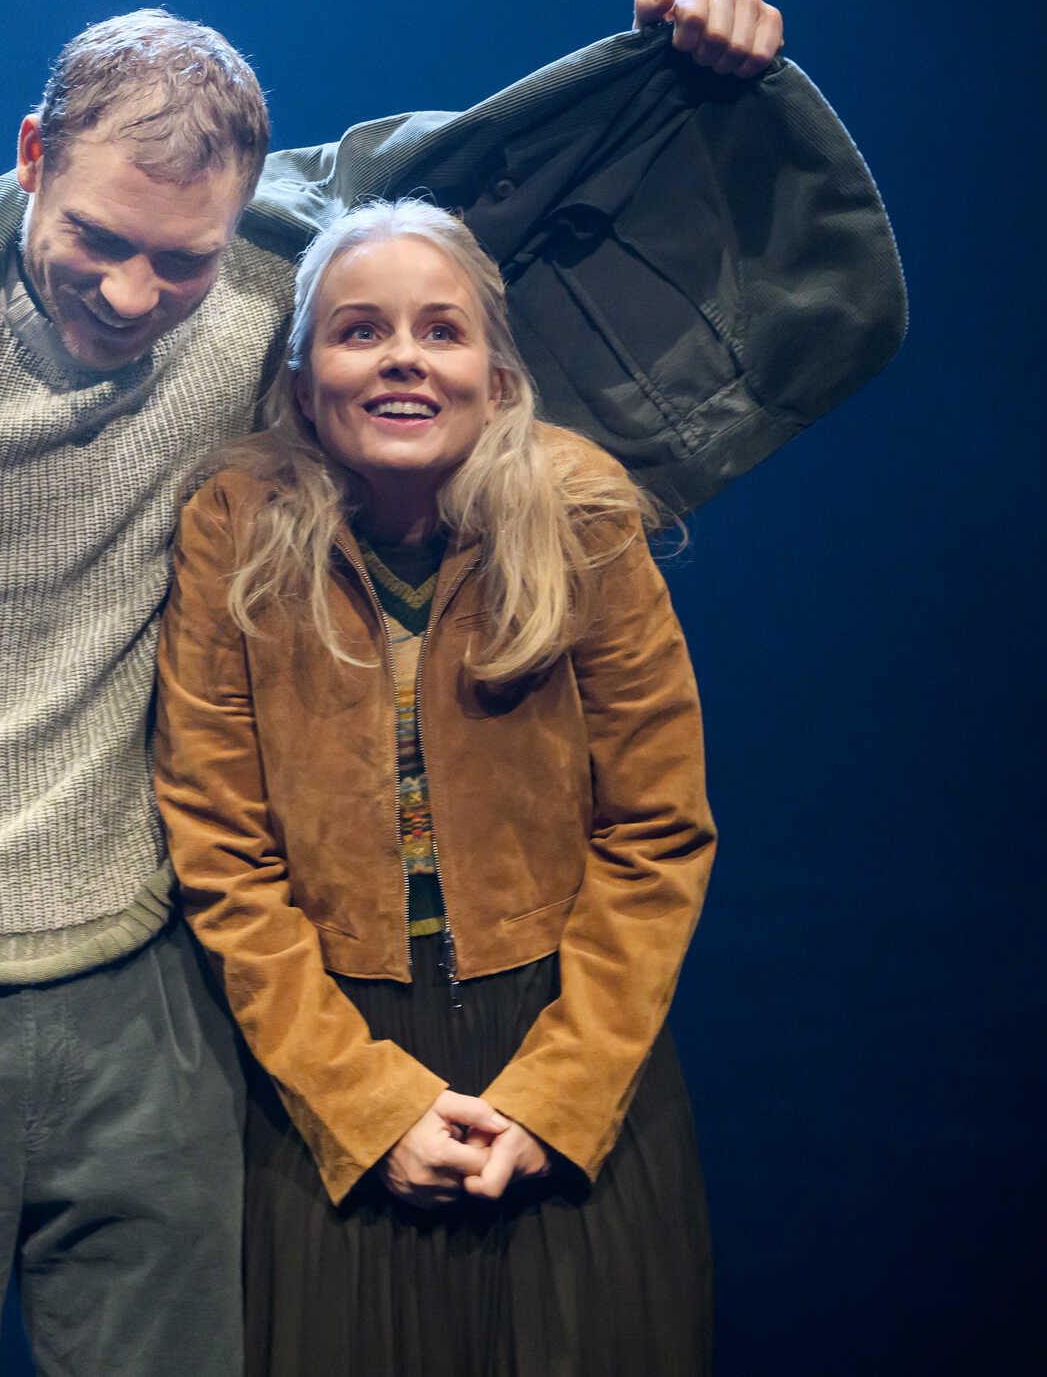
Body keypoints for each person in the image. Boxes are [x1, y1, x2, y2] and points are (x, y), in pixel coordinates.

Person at [0, 0, 897, 1377]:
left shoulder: (294, 262)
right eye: (97, 238)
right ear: (32, 155)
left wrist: (703, 51)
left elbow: (511, 164)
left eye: (184, 264)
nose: (134, 294)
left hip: (147, 996)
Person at [153, 197, 720, 1374]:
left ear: (498, 380)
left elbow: (656, 834)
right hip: (325, 1062)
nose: (402, 356)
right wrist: (363, 1106)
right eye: (359, 331)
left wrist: (552, 1100)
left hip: (566, 1044)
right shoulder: (233, 527)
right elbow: (219, 854)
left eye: (440, 331)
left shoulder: (584, 519)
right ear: (304, 383)